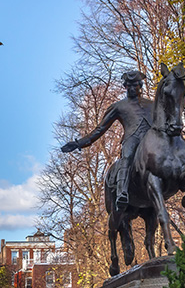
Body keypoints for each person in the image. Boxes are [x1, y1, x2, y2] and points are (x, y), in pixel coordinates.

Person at [61, 70, 152, 210]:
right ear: (125, 86)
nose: (133, 88)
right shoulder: (118, 107)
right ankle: (122, 191)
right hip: (132, 138)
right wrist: (79, 143)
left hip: (151, 139)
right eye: (129, 85)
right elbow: (100, 129)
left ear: (141, 86)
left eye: (136, 85)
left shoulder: (152, 104)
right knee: (127, 157)